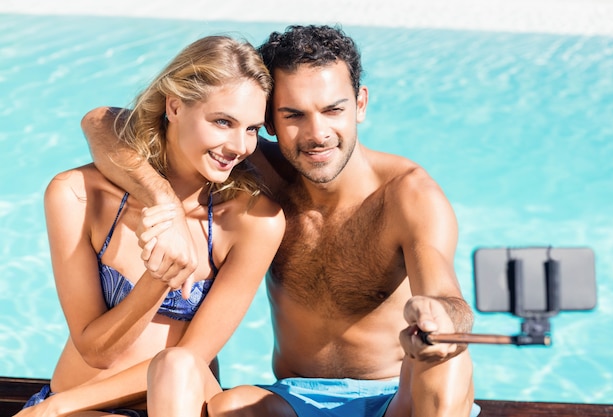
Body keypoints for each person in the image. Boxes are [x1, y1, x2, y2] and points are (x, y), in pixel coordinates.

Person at [82, 25, 479, 417]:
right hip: (294, 398)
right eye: (294, 115)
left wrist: (437, 318)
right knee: (203, 386)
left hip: (395, 399)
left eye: (333, 110)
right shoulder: (260, 167)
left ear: (360, 104)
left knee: (450, 362)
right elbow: (101, 122)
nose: (317, 133)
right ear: (268, 121)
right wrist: (163, 203)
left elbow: (451, 302)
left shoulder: (408, 196)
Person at [15, 35, 284, 417]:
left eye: (252, 129)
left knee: (175, 365)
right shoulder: (77, 195)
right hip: (74, 407)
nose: (239, 145)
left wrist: (55, 408)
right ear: (174, 106)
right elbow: (95, 349)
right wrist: (157, 279)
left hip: (167, 406)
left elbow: (190, 360)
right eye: (223, 122)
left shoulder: (253, 222)